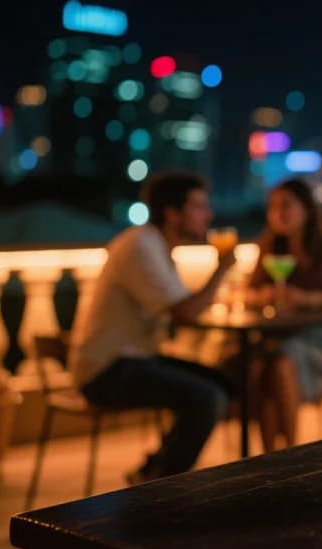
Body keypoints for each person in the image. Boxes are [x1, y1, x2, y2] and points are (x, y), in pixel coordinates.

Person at [69, 171, 237, 484]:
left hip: (134, 360)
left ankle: (153, 469)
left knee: (224, 383)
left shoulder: (156, 247)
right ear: (172, 213)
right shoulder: (140, 246)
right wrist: (222, 269)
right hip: (106, 370)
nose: (208, 215)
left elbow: (179, 311)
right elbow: (185, 313)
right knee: (207, 397)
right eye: (199, 207)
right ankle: (157, 486)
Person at [246, 178, 322, 452]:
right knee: (263, 364)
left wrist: (310, 299)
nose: (278, 213)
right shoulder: (270, 247)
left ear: (307, 210)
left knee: (281, 362)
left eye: (286, 205)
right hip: (276, 334)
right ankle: (269, 458)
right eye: (273, 207)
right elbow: (247, 292)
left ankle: (287, 453)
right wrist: (263, 296)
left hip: (318, 338)